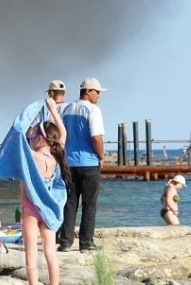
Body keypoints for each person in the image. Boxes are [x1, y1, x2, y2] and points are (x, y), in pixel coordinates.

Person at [21, 101, 69, 285]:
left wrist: (29, 116)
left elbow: (21, 134)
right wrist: (53, 111)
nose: (30, 138)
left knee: (31, 251)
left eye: (33, 136)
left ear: (40, 138)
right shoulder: (57, 154)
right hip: (49, 207)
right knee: (50, 251)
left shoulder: (32, 156)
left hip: (30, 207)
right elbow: (62, 133)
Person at [58, 78, 107, 253]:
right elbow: (96, 137)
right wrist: (101, 156)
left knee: (70, 203)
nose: (99, 95)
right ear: (87, 91)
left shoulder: (67, 109)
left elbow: (60, 134)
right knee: (89, 203)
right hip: (89, 162)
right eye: (97, 91)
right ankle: (86, 243)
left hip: (69, 163)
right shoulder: (93, 110)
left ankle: (65, 241)